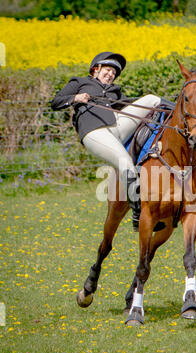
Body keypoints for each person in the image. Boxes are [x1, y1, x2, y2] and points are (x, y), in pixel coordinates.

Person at [51, 51, 169, 230]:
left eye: (114, 73)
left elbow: (125, 109)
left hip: (117, 128)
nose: (111, 74)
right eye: (108, 70)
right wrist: (76, 98)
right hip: (94, 132)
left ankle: (181, 110)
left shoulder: (116, 91)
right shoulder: (79, 82)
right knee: (125, 163)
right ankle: (139, 217)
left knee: (152, 100)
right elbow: (55, 102)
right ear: (95, 70)